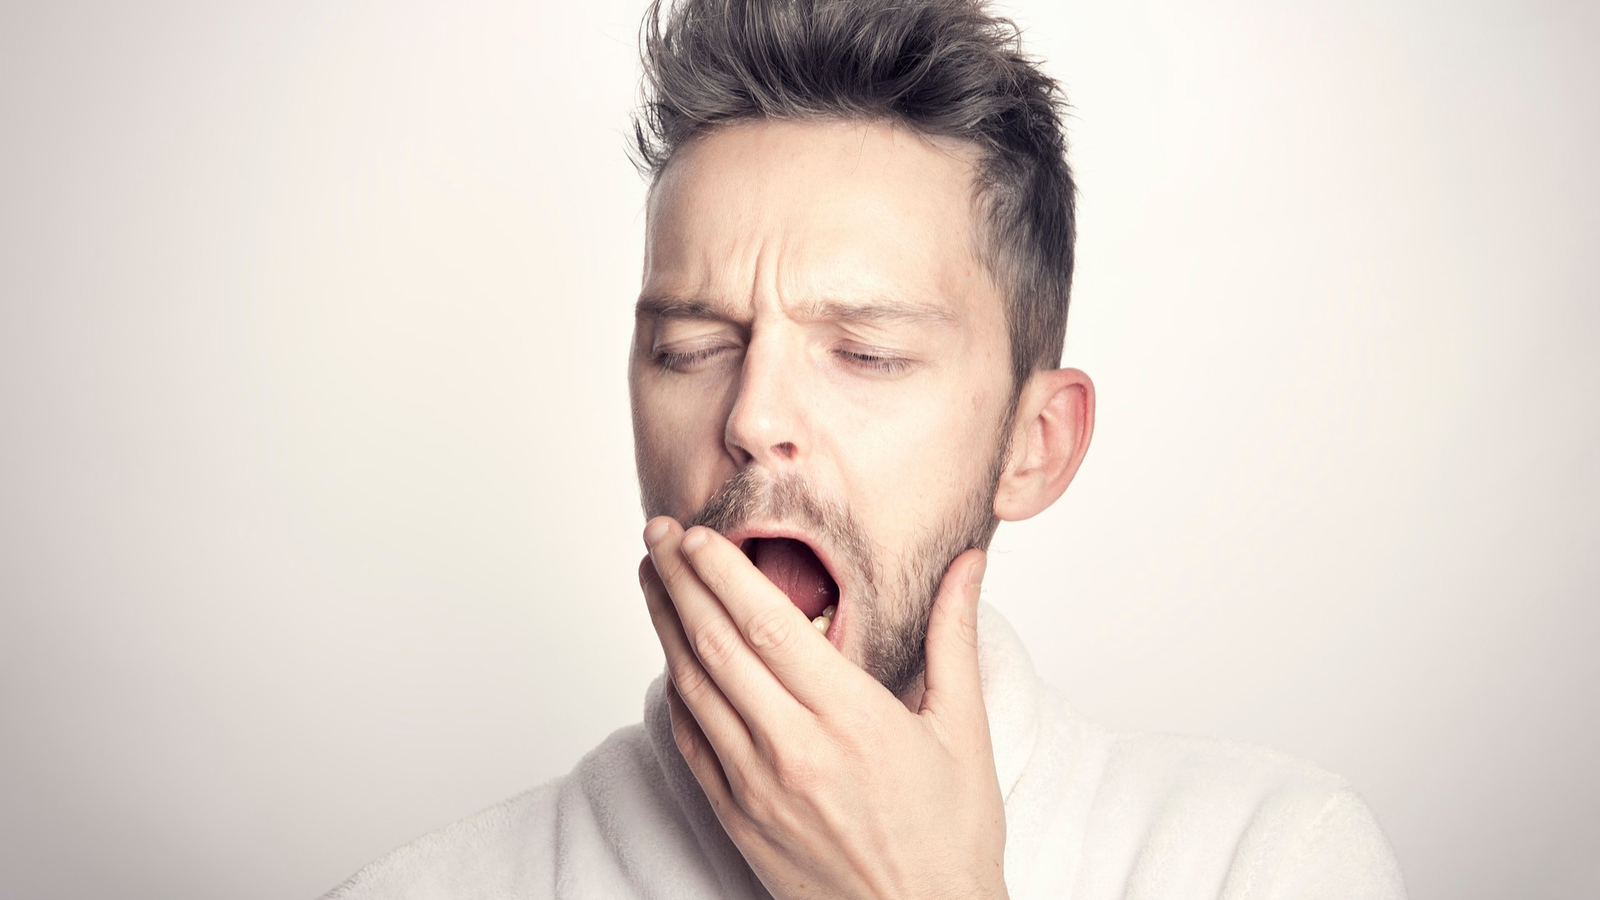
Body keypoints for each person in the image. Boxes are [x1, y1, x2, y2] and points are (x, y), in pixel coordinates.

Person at [324, 0, 1406, 897]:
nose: (752, 417)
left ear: (1032, 447)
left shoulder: (1266, 861)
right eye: (693, 348)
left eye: (867, 354)